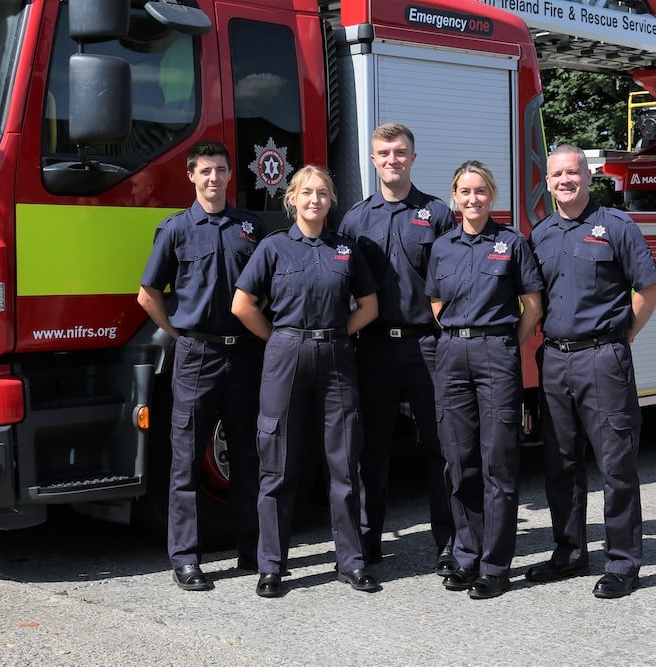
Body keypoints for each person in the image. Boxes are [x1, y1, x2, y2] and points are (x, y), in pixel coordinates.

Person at [231, 165, 380, 598]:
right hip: (286, 354)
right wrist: (279, 339)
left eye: (323, 193)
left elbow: (368, 307)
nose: (315, 200)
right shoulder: (273, 248)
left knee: (344, 463)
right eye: (307, 192)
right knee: (277, 461)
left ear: (331, 201)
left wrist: (336, 335)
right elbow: (243, 305)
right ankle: (272, 565)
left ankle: (351, 562)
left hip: (336, 355)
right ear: (292, 198)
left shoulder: (346, 251)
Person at [526, 144, 656, 599]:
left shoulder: (616, 226)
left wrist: (623, 338)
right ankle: (569, 552)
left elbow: (649, 288)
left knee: (615, 464)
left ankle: (623, 562)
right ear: (546, 182)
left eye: (573, 172)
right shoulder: (540, 234)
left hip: (602, 359)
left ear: (588, 177)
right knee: (559, 463)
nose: (565, 180)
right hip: (554, 359)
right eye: (556, 174)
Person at [137, 140, 265, 592]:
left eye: (221, 171)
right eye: (205, 171)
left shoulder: (252, 227)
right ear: (191, 176)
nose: (214, 178)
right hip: (197, 356)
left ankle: (254, 551)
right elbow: (148, 293)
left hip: (245, 353)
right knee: (186, 458)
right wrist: (178, 335)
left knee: (249, 455)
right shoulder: (174, 230)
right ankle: (186, 558)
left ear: (232, 176)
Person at [338, 123, 456, 574]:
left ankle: (449, 543)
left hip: (426, 344)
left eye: (401, 151)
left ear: (413, 157)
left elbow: (453, 279)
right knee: (371, 449)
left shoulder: (437, 214)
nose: (393, 159)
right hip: (373, 348)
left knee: (440, 446)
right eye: (384, 152)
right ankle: (366, 545)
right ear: (373, 160)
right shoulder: (353, 220)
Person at [425, 161, 544, 600]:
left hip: (497, 353)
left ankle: (495, 566)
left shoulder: (511, 243)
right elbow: (436, 302)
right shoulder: (442, 248)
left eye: (480, 191)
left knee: (497, 462)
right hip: (452, 353)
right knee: (458, 460)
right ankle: (465, 555)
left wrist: (503, 342)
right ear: (454, 196)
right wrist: (462, 336)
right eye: (464, 191)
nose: (472, 198)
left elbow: (532, 305)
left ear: (491, 195)